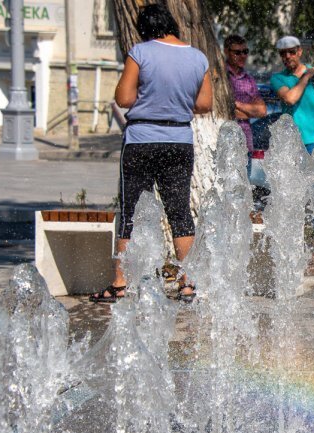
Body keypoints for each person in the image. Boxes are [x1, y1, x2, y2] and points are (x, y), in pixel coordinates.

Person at [90, 4, 212, 303]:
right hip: (179, 141)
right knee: (180, 212)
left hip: (141, 140)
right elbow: (206, 103)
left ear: (144, 27)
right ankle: (187, 283)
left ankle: (119, 283)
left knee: (131, 210)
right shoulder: (198, 57)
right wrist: (177, 102)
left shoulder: (140, 52)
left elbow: (123, 97)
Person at [224, 34, 267, 154]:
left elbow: (262, 111)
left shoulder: (249, 79)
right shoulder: (220, 76)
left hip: (245, 144)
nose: (243, 56)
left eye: (245, 52)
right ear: (226, 52)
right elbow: (222, 111)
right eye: (237, 52)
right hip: (224, 142)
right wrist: (249, 111)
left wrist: (236, 104)